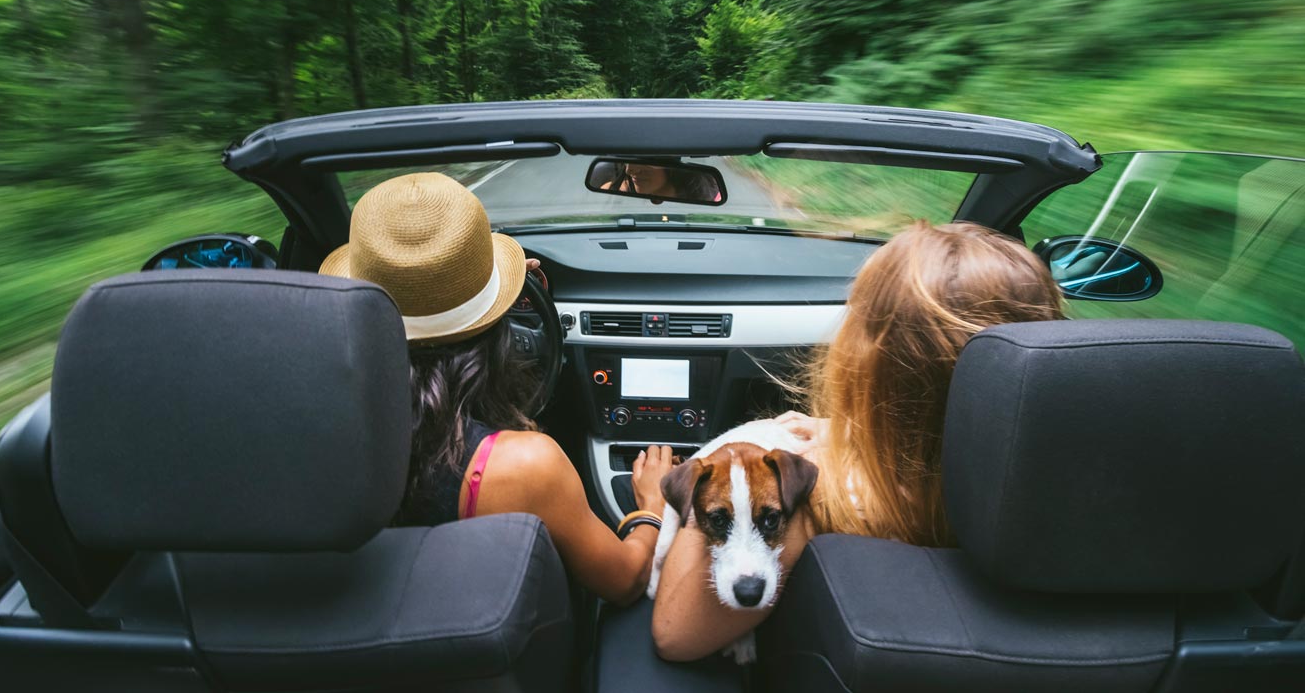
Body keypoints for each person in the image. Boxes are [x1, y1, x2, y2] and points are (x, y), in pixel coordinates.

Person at [651, 220, 1064, 658]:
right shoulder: (1051, 497)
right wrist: (848, 434)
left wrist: (680, 506)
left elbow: (675, 636)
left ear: (867, 371)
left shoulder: (830, 497)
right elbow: (934, 438)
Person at [320, 171, 672, 606]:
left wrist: (484, 298)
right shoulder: (523, 468)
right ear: (496, 326)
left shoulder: (311, 422)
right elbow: (625, 581)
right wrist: (652, 506)